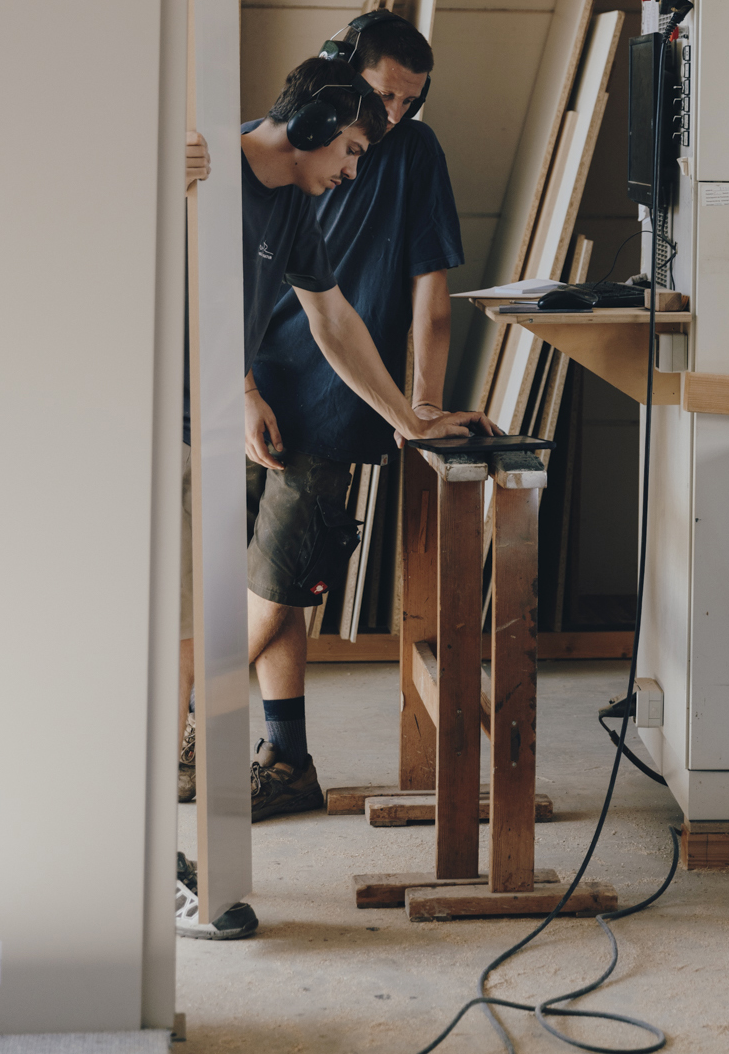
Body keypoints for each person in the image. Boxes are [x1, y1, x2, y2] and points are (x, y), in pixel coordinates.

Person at [179, 58, 494, 833]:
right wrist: (153, 165)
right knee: (190, 618)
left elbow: (333, 319)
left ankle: (259, 756)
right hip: (168, 432)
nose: (354, 169)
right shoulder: (203, 173)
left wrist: (409, 417)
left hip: (217, 422)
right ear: (314, 125)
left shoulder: (290, 205)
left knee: (237, 599)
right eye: (350, 148)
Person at [241, 11, 467, 821]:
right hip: (251, 386)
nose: (393, 116)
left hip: (337, 396)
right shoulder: (268, 156)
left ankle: (185, 712)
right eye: (381, 97)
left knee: (275, 586)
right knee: (253, 585)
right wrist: (241, 387)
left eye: (410, 101)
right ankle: (284, 755)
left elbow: (412, 300)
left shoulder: (406, 155)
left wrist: (418, 408)